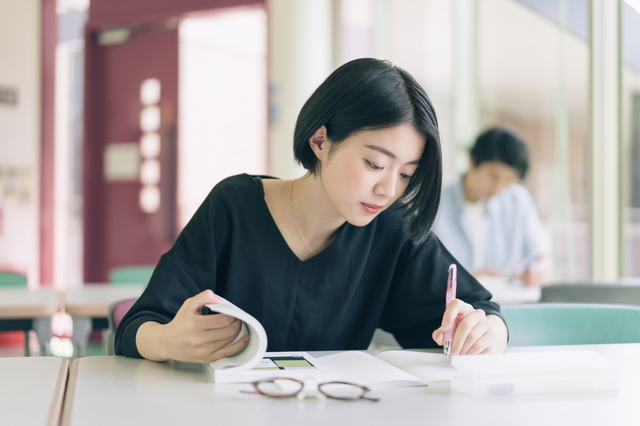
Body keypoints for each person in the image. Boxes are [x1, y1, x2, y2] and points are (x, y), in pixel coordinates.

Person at [115, 58, 508, 364]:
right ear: (320, 141)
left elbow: (482, 310)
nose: (389, 190)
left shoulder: (392, 229)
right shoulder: (235, 206)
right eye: (374, 164)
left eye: (406, 174)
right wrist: (168, 340)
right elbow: (135, 327)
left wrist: (486, 330)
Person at [431, 127, 551, 287]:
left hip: (507, 305)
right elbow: (421, 271)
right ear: (473, 162)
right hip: (452, 305)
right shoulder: (434, 200)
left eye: (508, 180)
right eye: (493, 177)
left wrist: (538, 270)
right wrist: (469, 279)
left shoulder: (518, 200)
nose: (498, 188)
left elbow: (544, 259)